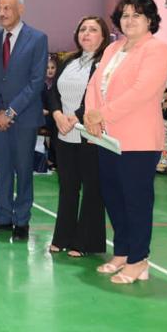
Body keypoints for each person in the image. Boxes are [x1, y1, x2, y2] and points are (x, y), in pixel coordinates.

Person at [85, 0, 167, 284]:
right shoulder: (113, 48)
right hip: (107, 137)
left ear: (150, 20)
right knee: (113, 197)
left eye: (137, 15)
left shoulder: (157, 50)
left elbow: (141, 92)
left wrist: (102, 114)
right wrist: (91, 115)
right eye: (125, 15)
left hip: (139, 141)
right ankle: (122, 252)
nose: (129, 20)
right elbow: (94, 85)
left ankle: (138, 260)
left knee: (136, 201)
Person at [0, 0, 49, 241]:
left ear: (21, 10)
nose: (2, 13)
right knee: (2, 169)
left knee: (24, 170)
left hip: (24, 118)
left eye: (7, 8)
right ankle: (3, 217)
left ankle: (22, 221)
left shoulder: (37, 39)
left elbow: (36, 81)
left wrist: (10, 112)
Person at [45, 16, 110, 257]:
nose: (86, 33)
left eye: (93, 29)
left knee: (92, 189)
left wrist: (76, 116)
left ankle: (85, 242)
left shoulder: (105, 63)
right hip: (64, 133)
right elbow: (52, 91)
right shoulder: (68, 60)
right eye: (83, 29)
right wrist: (57, 114)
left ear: (103, 36)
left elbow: (101, 96)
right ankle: (62, 237)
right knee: (68, 188)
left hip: (90, 134)